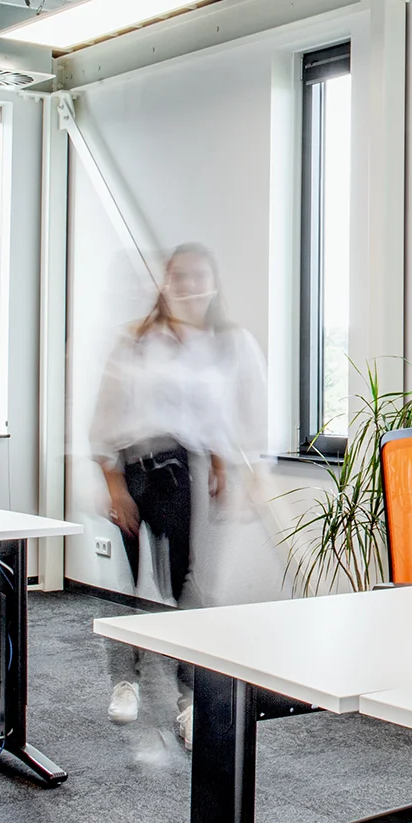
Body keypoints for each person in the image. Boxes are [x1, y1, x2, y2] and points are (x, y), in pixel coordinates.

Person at [90, 243, 266, 749]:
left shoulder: (221, 344)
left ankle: (189, 701)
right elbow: (105, 420)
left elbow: (211, 414)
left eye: (197, 276)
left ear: (213, 284)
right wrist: (115, 486)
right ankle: (125, 681)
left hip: (180, 474)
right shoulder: (137, 341)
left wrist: (221, 465)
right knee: (130, 585)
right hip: (133, 470)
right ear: (165, 284)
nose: (187, 285)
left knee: (187, 592)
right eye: (177, 276)